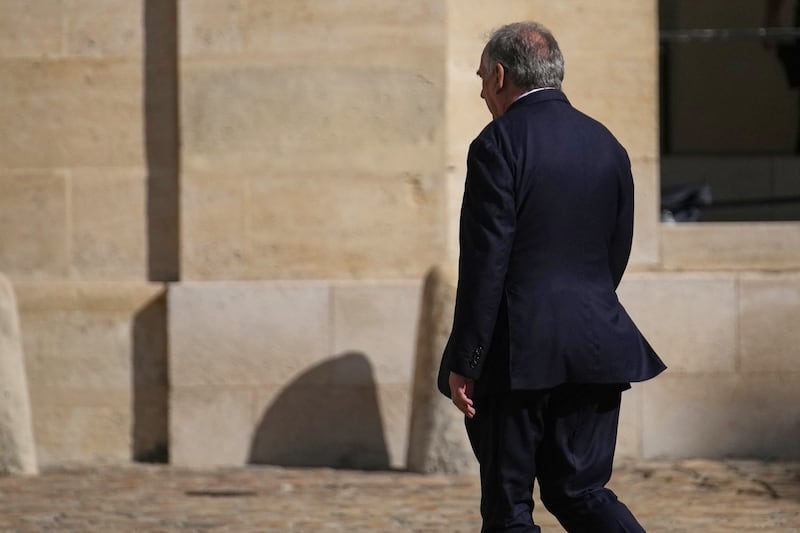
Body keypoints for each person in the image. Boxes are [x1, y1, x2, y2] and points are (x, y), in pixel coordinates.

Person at [436, 22, 666, 532]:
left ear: (500, 75)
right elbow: (616, 250)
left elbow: (485, 262)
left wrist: (466, 360)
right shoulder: (606, 143)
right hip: (597, 342)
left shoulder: (497, 143)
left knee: (509, 509)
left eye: (481, 77)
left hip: (518, 356)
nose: (480, 92)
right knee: (581, 492)